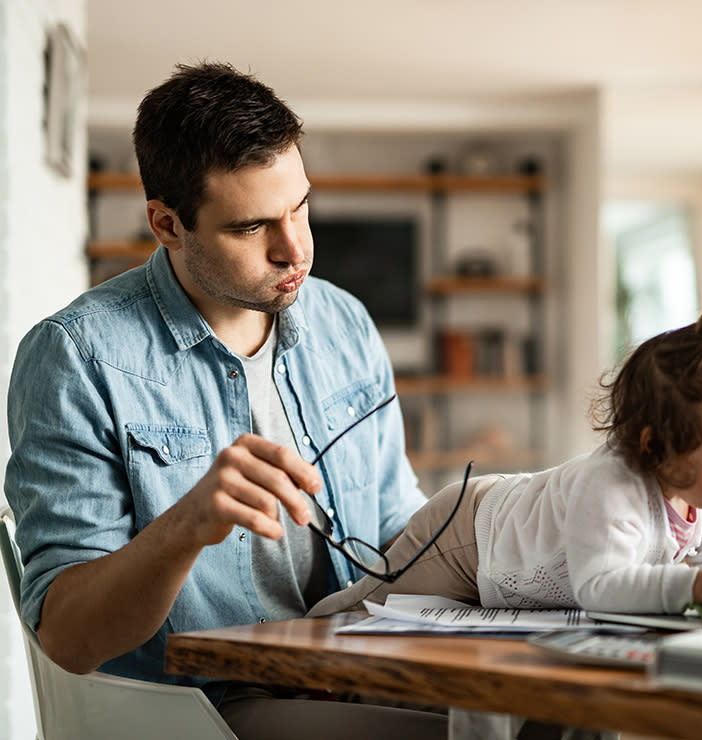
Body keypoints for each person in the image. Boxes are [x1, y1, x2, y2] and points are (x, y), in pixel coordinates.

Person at [4, 62, 447, 739]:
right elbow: (67, 637)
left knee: (544, 722)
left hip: (358, 675)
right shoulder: (77, 356)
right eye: (250, 228)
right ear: (167, 224)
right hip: (200, 706)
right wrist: (183, 528)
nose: (293, 248)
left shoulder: (345, 323)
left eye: (300, 207)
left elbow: (397, 531)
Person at [309, 303, 702, 619]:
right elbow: (600, 585)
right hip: (470, 536)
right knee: (367, 608)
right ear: (655, 444)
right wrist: (689, 585)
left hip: (505, 566)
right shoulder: (612, 484)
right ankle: (293, 649)